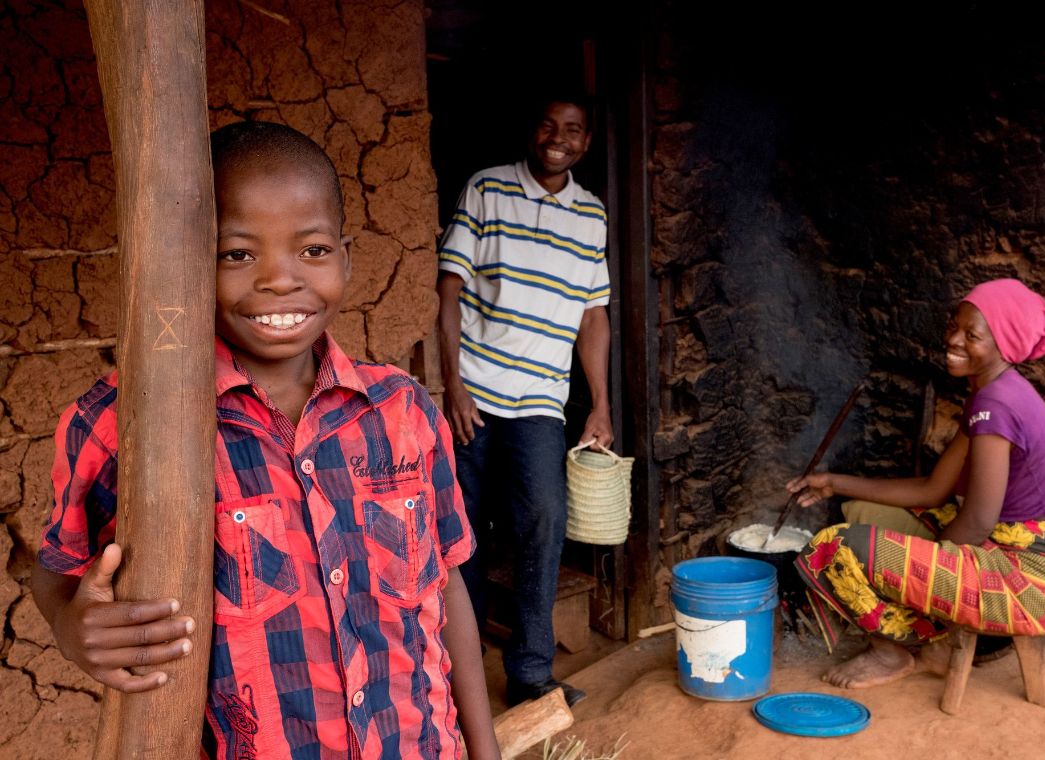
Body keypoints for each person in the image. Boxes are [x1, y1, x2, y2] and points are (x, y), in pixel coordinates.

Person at [31, 122, 500, 759]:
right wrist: (70, 625)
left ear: (346, 255)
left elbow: (446, 588)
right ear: (190, 262)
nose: (280, 280)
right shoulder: (123, 426)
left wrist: (484, 749)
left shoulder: (403, 410)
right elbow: (57, 571)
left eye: (311, 250)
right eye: (237, 254)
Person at [786, 278, 1045, 689]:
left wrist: (925, 567)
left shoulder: (997, 406)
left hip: (1036, 584)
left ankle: (893, 652)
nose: (953, 340)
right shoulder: (993, 394)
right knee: (860, 512)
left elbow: (979, 521)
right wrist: (834, 483)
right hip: (1016, 552)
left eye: (972, 335)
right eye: (954, 326)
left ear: (1004, 345)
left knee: (834, 547)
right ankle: (921, 634)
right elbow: (933, 489)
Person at [436, 93, 613, 707]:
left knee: (543, 520)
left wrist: (600, 405)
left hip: (541, 399)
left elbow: (594, 318)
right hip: (476, 395)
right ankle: (460, 674)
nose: (557, 138)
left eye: (572, 130)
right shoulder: (486, 189)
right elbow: (450, 288)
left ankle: (531, 674)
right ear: (531, 131)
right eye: (547, 124)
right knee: (464, 534)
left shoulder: (591, 215)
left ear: (586, 142)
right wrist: (452, 385)